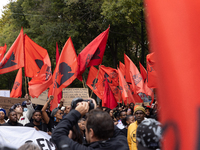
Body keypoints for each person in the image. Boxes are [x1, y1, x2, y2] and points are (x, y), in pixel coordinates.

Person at [52, 101, 129, 150]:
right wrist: (95, 113)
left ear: (91, 133)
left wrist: (76, 112)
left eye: (86, 129)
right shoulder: (122, 143)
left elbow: (58, 135)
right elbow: (108, 125)